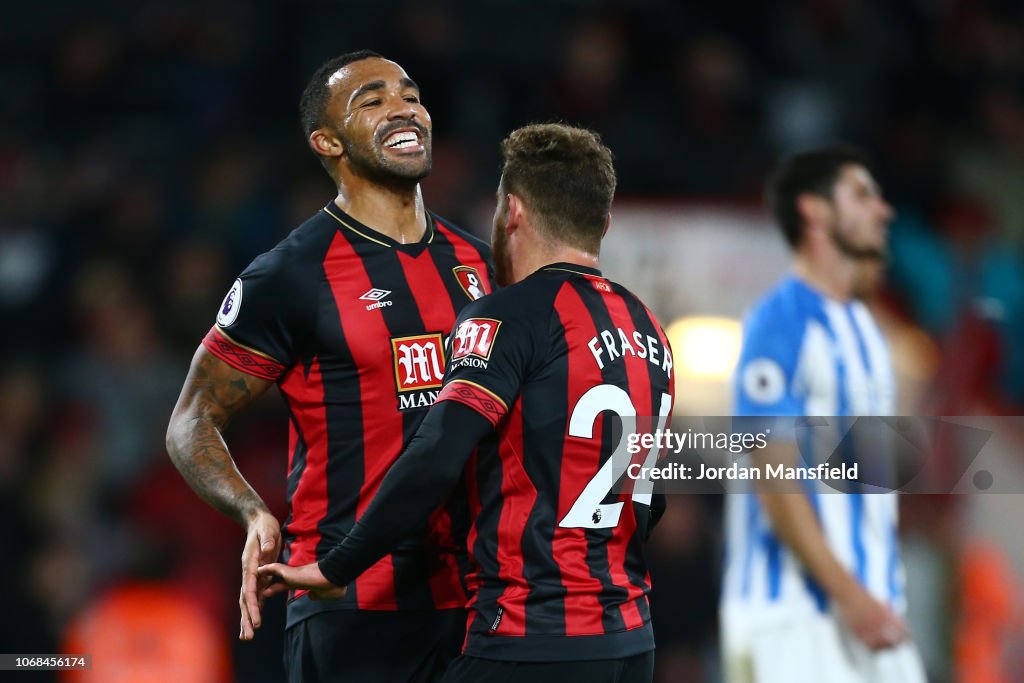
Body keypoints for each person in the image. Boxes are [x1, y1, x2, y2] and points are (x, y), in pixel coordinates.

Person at [259, 123, 675, 683]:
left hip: (529, 638)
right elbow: (650, 504)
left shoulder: (506, 315)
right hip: (631, 640)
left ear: (513, 213)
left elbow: (434, 458)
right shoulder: (649, 328)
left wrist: (337, 566)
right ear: (602, 222)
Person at [165, 50, 494, 683]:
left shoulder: (482, 265)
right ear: (327, 141)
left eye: (409, 93)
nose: (403, 108)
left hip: (481, 605)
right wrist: (252, 510)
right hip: (350, 607)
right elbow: (191, 420)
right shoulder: (290, 275)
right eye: (371, 101)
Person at [720, 146, 927, 682]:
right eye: (862, 195)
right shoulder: (779, 320)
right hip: (792, 615)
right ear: (813, 210)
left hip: (874, 610)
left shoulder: (868, 331)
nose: (884, 210)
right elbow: (772, 474)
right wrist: (850, 595)